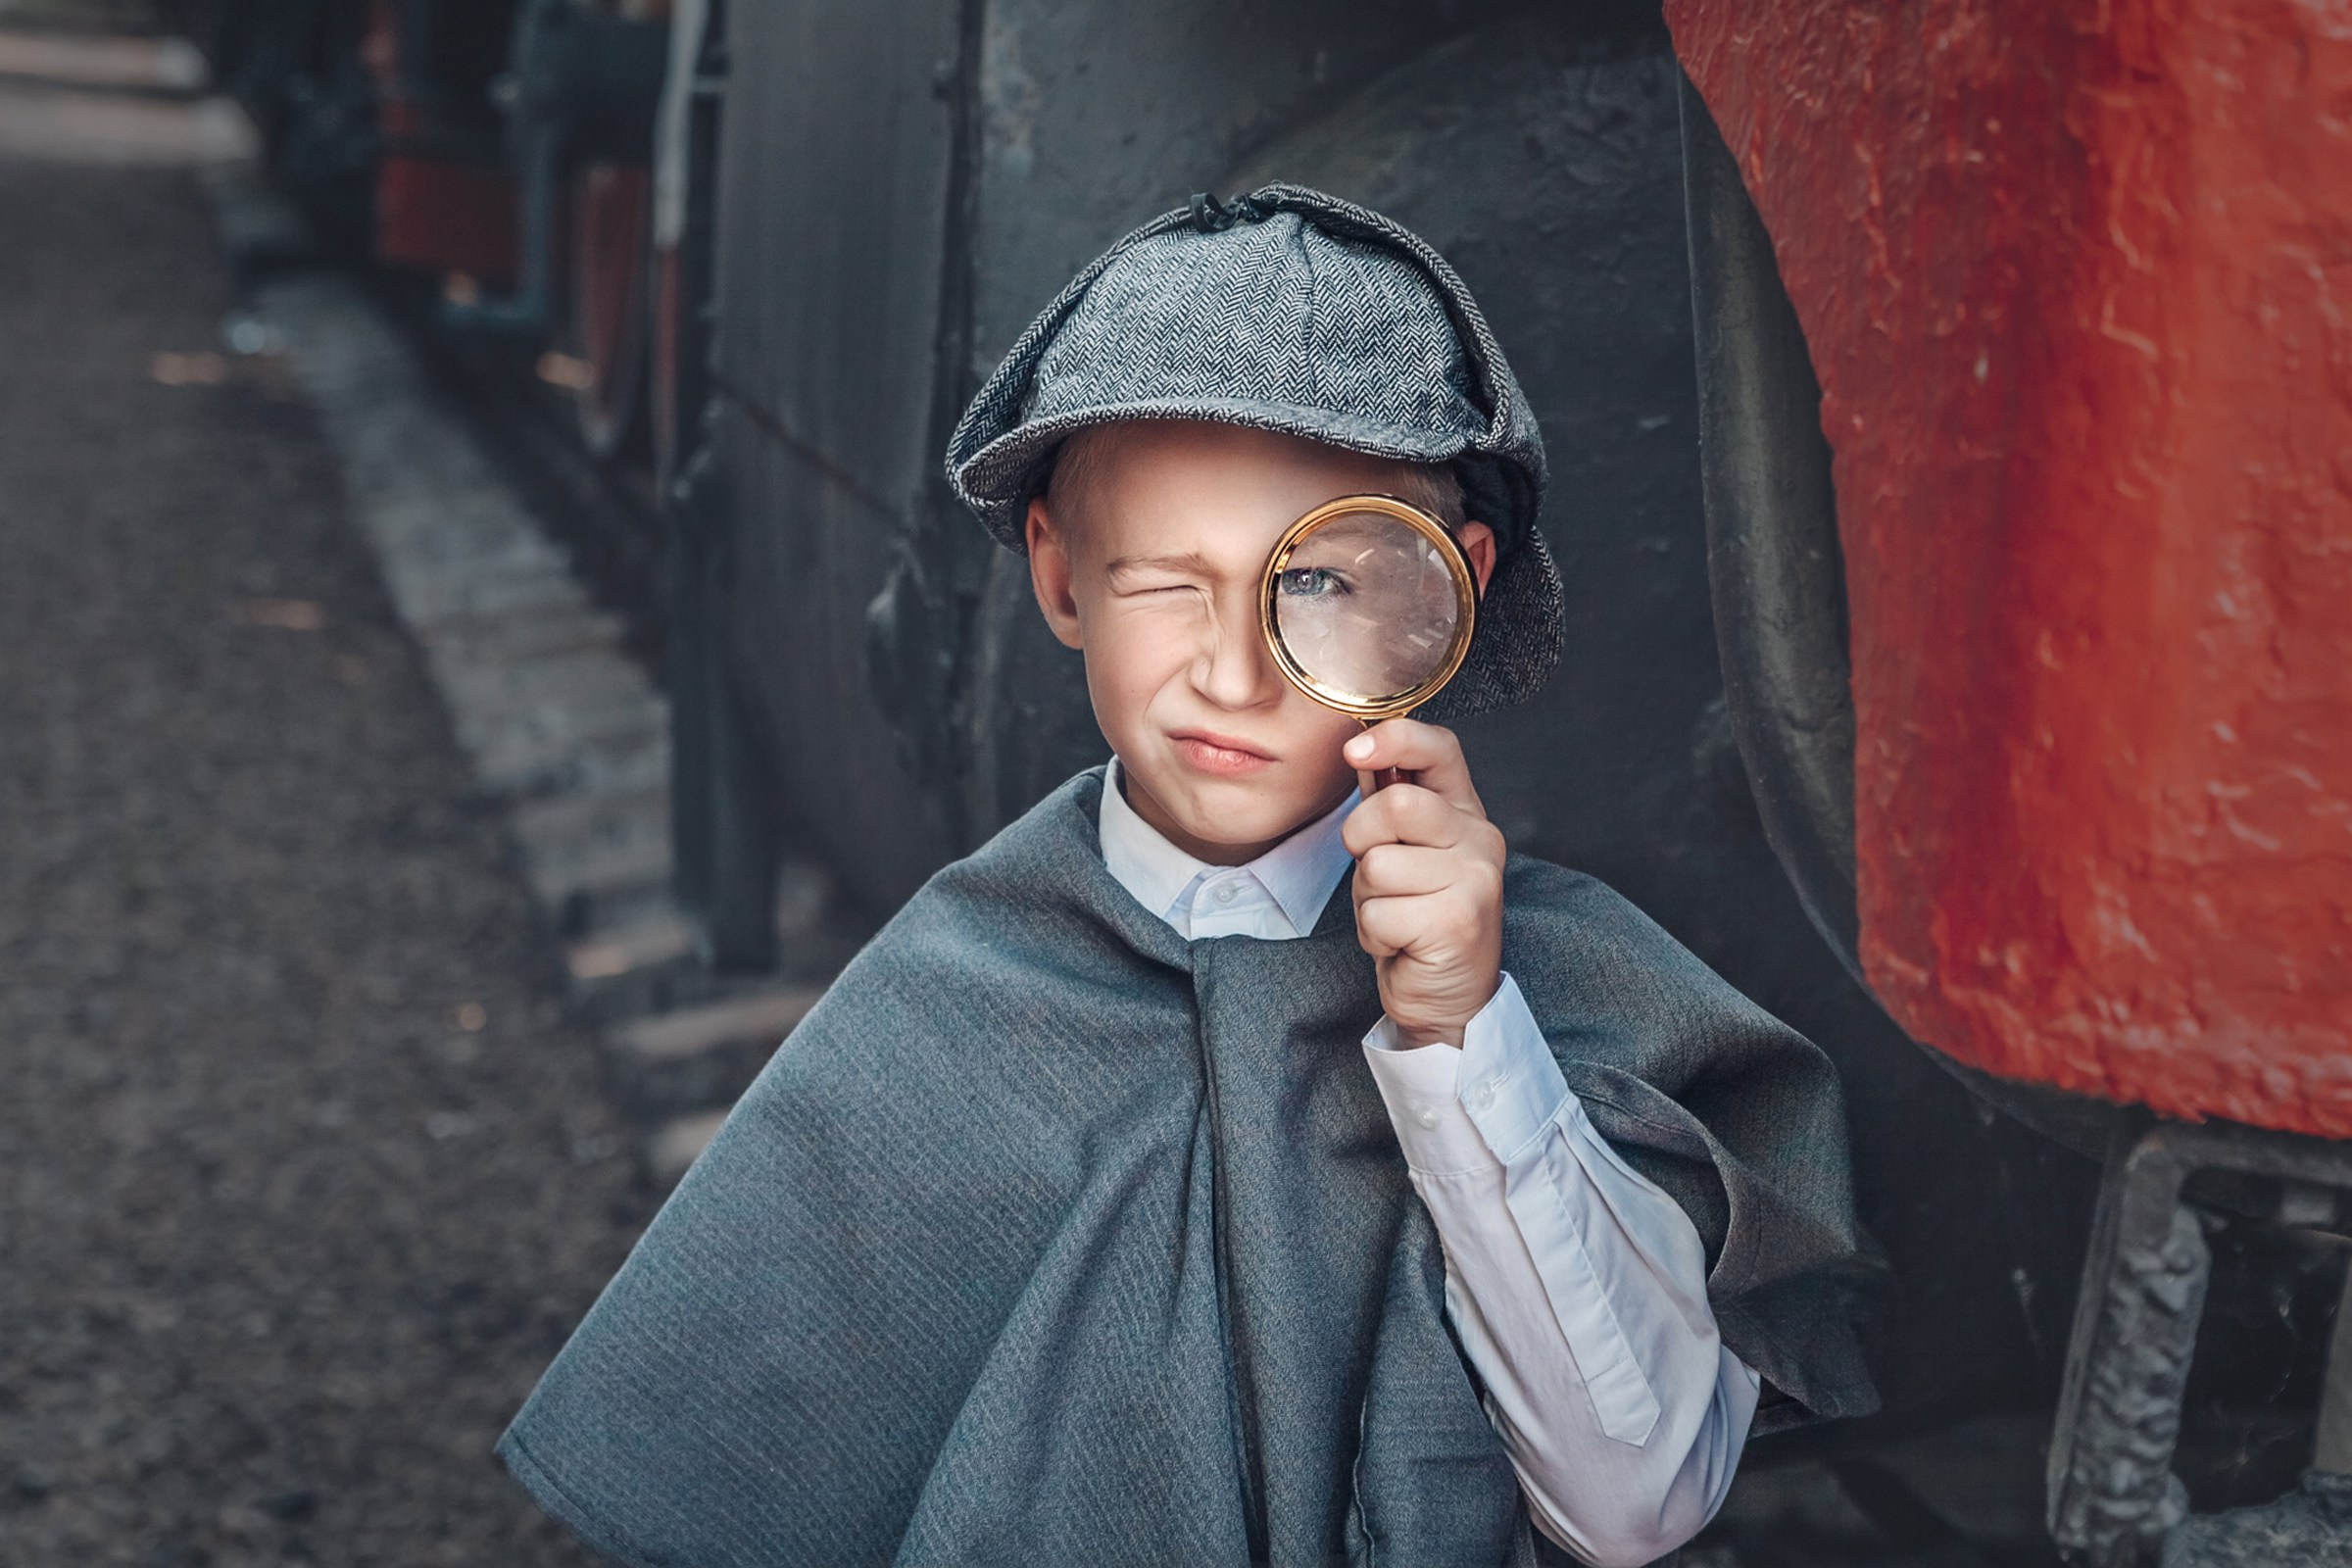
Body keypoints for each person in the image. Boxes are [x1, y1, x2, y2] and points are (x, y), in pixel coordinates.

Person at [496, 184, 1876, 1568]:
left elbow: (1634, 1505)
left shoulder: (1555, 995)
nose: (1232, 672)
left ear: (1447, 595)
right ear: (1059, 576)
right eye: (1169, 582)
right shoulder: (941, 1003)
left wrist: (1463, 1040)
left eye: (1322, 584)